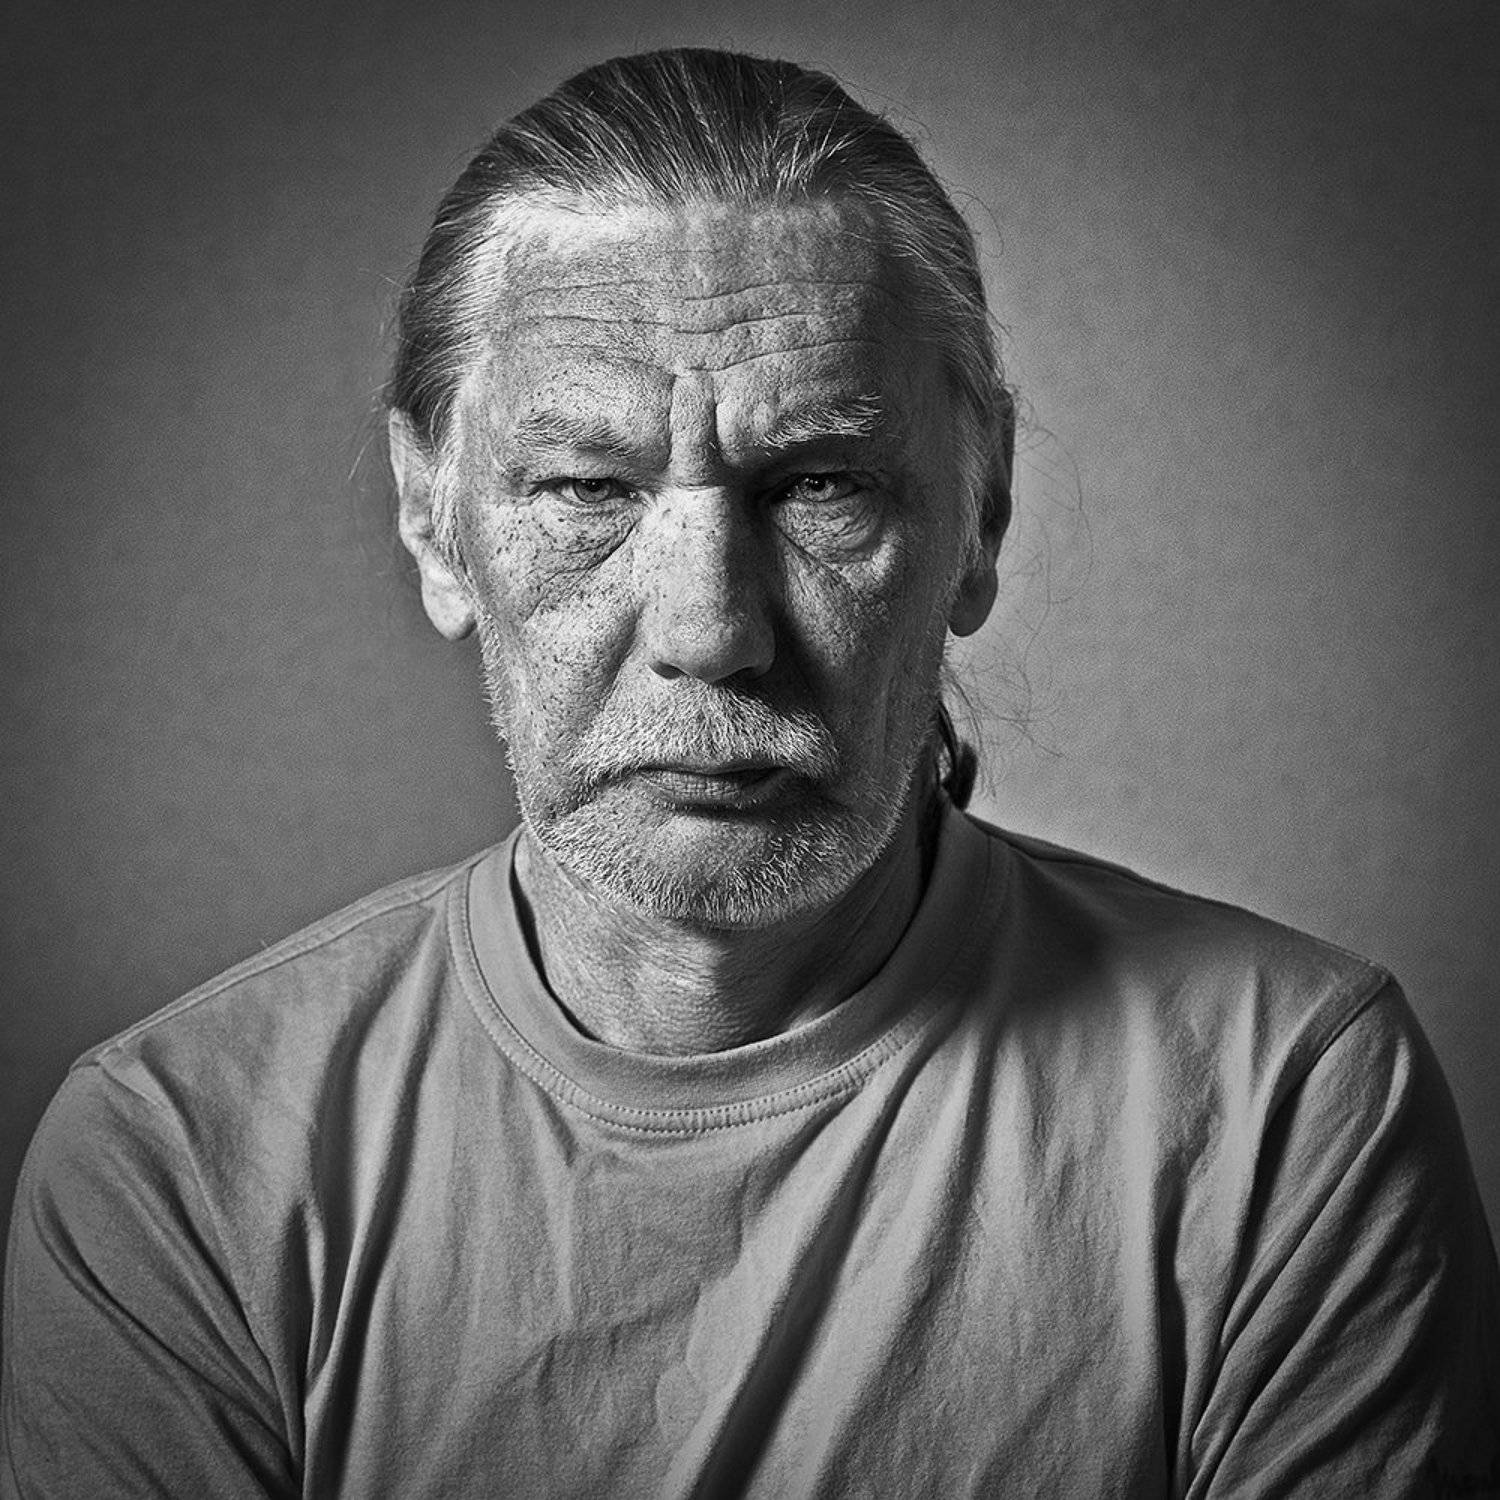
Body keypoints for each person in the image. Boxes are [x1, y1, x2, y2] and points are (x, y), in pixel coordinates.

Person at [3, 47, 1496, 1499]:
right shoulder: (176, 1164)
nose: (709, 630)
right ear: (430, 518)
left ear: (982, 514)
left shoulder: (1289, 1103)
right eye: (585, 488)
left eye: (818, 484)